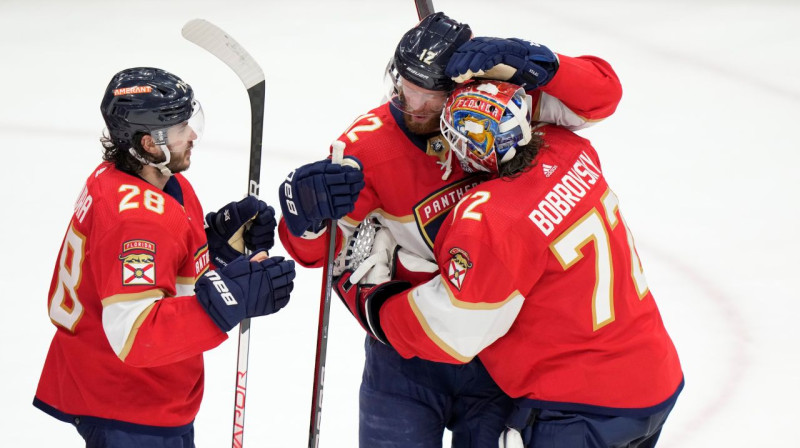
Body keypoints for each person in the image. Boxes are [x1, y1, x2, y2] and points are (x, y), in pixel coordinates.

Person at [278, 12, 623, 448]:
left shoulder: (493, 109)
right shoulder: (366, 147)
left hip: (496, 352)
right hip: (404, 356)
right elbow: (319, 253)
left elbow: (602, 97)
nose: (414, 108)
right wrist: (304, 219)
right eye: (405, 90)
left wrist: (535, 61)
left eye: (431, 98)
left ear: (463, 90)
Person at [334, 80, 684, 448]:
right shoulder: (571, 149)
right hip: (655, 380)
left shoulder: (489, 217)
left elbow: (452, 329)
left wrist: (374, 304)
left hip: (576, 408)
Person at [33, 67, 296, 448]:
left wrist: (221, 250)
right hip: (127, 404)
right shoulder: (135, 219)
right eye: (179, 128)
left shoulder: (156, 180)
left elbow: (164, 272)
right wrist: (229, 301)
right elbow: (137, 334)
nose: (192, 135)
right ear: (148, 143)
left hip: (141, 394)